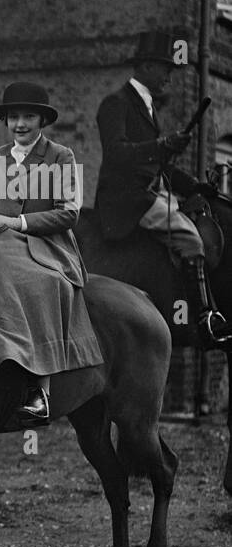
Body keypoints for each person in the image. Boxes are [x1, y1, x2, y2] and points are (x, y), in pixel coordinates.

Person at [0, 82, 104, 425]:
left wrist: (17, 221)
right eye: (13, 117)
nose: (20, 124)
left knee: (31, 279)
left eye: (28, 117)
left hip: (47, 249)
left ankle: (38, 390)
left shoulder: (60, 156)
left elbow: (69, 212)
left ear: (42, 121)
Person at [95, 28, 229, 346]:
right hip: (127, 199)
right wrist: (162, 144)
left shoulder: (150, 107)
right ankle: (205, 318)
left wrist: (196, 185)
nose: (169, 76)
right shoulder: (115, 104)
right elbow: (117, 153)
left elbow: (162, 165)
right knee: (190, 239)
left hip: (153, 192)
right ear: (146, 67)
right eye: (165, 68)